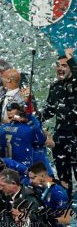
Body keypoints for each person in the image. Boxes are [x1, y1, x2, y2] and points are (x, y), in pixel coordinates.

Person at [39, 48, 77, 197]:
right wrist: (31, 118)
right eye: (58, 65)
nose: (60, 68)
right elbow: (49, 111)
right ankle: (65, 207)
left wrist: (71, 59)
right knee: (63, 176)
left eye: (64, 65)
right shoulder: (54, 87)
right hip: (61, 137)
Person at [0, 102, 46, 167]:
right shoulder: (29, 129)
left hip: (6, 167)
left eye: (11, 110)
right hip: (23, 167)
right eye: (8, 110)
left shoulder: (2, 128)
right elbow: (44, 139)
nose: (9, 112)